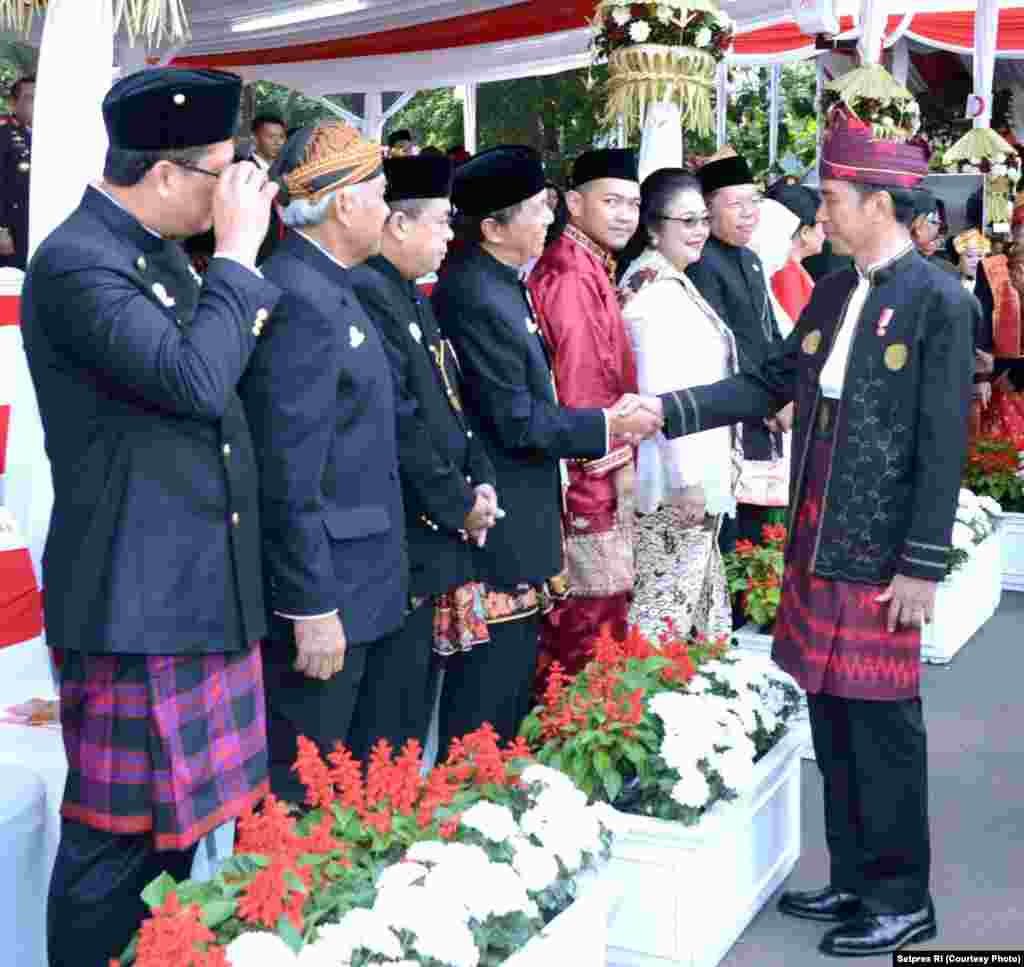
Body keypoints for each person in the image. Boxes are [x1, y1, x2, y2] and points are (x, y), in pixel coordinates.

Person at [643, 100, 976, 957]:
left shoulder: (938, 300)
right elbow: (766, 383)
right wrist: (665, 410)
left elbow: (944, 445)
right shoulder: (832, 289)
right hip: (819, 539)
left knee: (885, 723)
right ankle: (856, 875)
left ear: (877, 202)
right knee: (829, 713)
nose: (818, 210)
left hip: (884, 555)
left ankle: (903, 894)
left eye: (831, 195)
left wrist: (923, 566)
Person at [20, 67, 280, 966]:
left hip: (195, 590)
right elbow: (197, 381)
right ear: (164, 174)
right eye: (223, 171)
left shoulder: (156, 251)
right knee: (114, 846)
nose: (237, 192)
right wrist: (241, 257)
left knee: (173, 846)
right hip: (136, 601)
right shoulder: (78, 259)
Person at [431, 145, 658, 749]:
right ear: (491, 227)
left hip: (526, 512)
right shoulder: (473, 293)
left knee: (508, 693)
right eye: (535, 209)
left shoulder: (503, 283)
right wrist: (606, 426)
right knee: (487, 702)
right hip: (499, 519)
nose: (547, 220)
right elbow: (514, 419)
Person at [239, 122, 409, 797]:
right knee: (304, 792)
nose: (388, 210)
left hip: (362, 586)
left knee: (341, 789)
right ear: (343, 205)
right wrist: (309, 604)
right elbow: (287, 470)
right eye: (380, 194)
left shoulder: (333, 285)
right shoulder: (300, 299)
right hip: (329, 597)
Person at [347, 154, 500, 757]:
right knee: (389, 720)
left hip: (443, 529)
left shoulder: (409, 294)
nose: (448, 237)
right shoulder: (369, 291)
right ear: (398, 224)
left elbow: (452, 403)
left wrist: (479, 483)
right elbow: (402, 420)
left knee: (414, 716)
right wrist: (457, 501)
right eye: (439, 223)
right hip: (409, 536)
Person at [527, 148, 640, 679]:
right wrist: (612, 471)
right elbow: (580, 390)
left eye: (634, 204)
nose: (625, 214)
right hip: (586, 479)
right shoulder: (571, 274)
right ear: (574, 202)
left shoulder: (590, 264)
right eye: (611, 201)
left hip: (595, 468)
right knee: (586, 634)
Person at [618, 169, 740, 640]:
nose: (700, 230)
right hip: (674, 484)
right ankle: (652, 708)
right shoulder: (655, 294)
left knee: (692, 605)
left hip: (687, 474)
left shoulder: (666, 280)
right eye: (686, 220)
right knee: (663, 615)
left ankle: (691, 702)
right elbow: (661, 394)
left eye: (704, 219)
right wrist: (687, 480)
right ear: (653, 228)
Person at [686, 148, 786, 552]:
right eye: (736, 204)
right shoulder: (703, 262)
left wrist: (788, 388)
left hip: (765, 407)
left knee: (761, 524)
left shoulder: (750, 258)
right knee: (737, 528)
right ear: (708, 210)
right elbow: (723, 345)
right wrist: (770, 401)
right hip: (733, 414)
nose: (749, 213)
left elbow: (770, 335)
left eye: (754, 201)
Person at [768, 183, 824, 326]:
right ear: (805, 232)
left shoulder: (789, 268)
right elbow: (795, 328)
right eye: (821, 224)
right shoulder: (786, 272)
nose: (825, 232)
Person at [0, 75, 34, 269]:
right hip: (13, 227)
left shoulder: (52, 135)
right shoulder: (4, 135)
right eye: (30, 98)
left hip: (39, 220)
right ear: (14, 103)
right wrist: (1, 230)